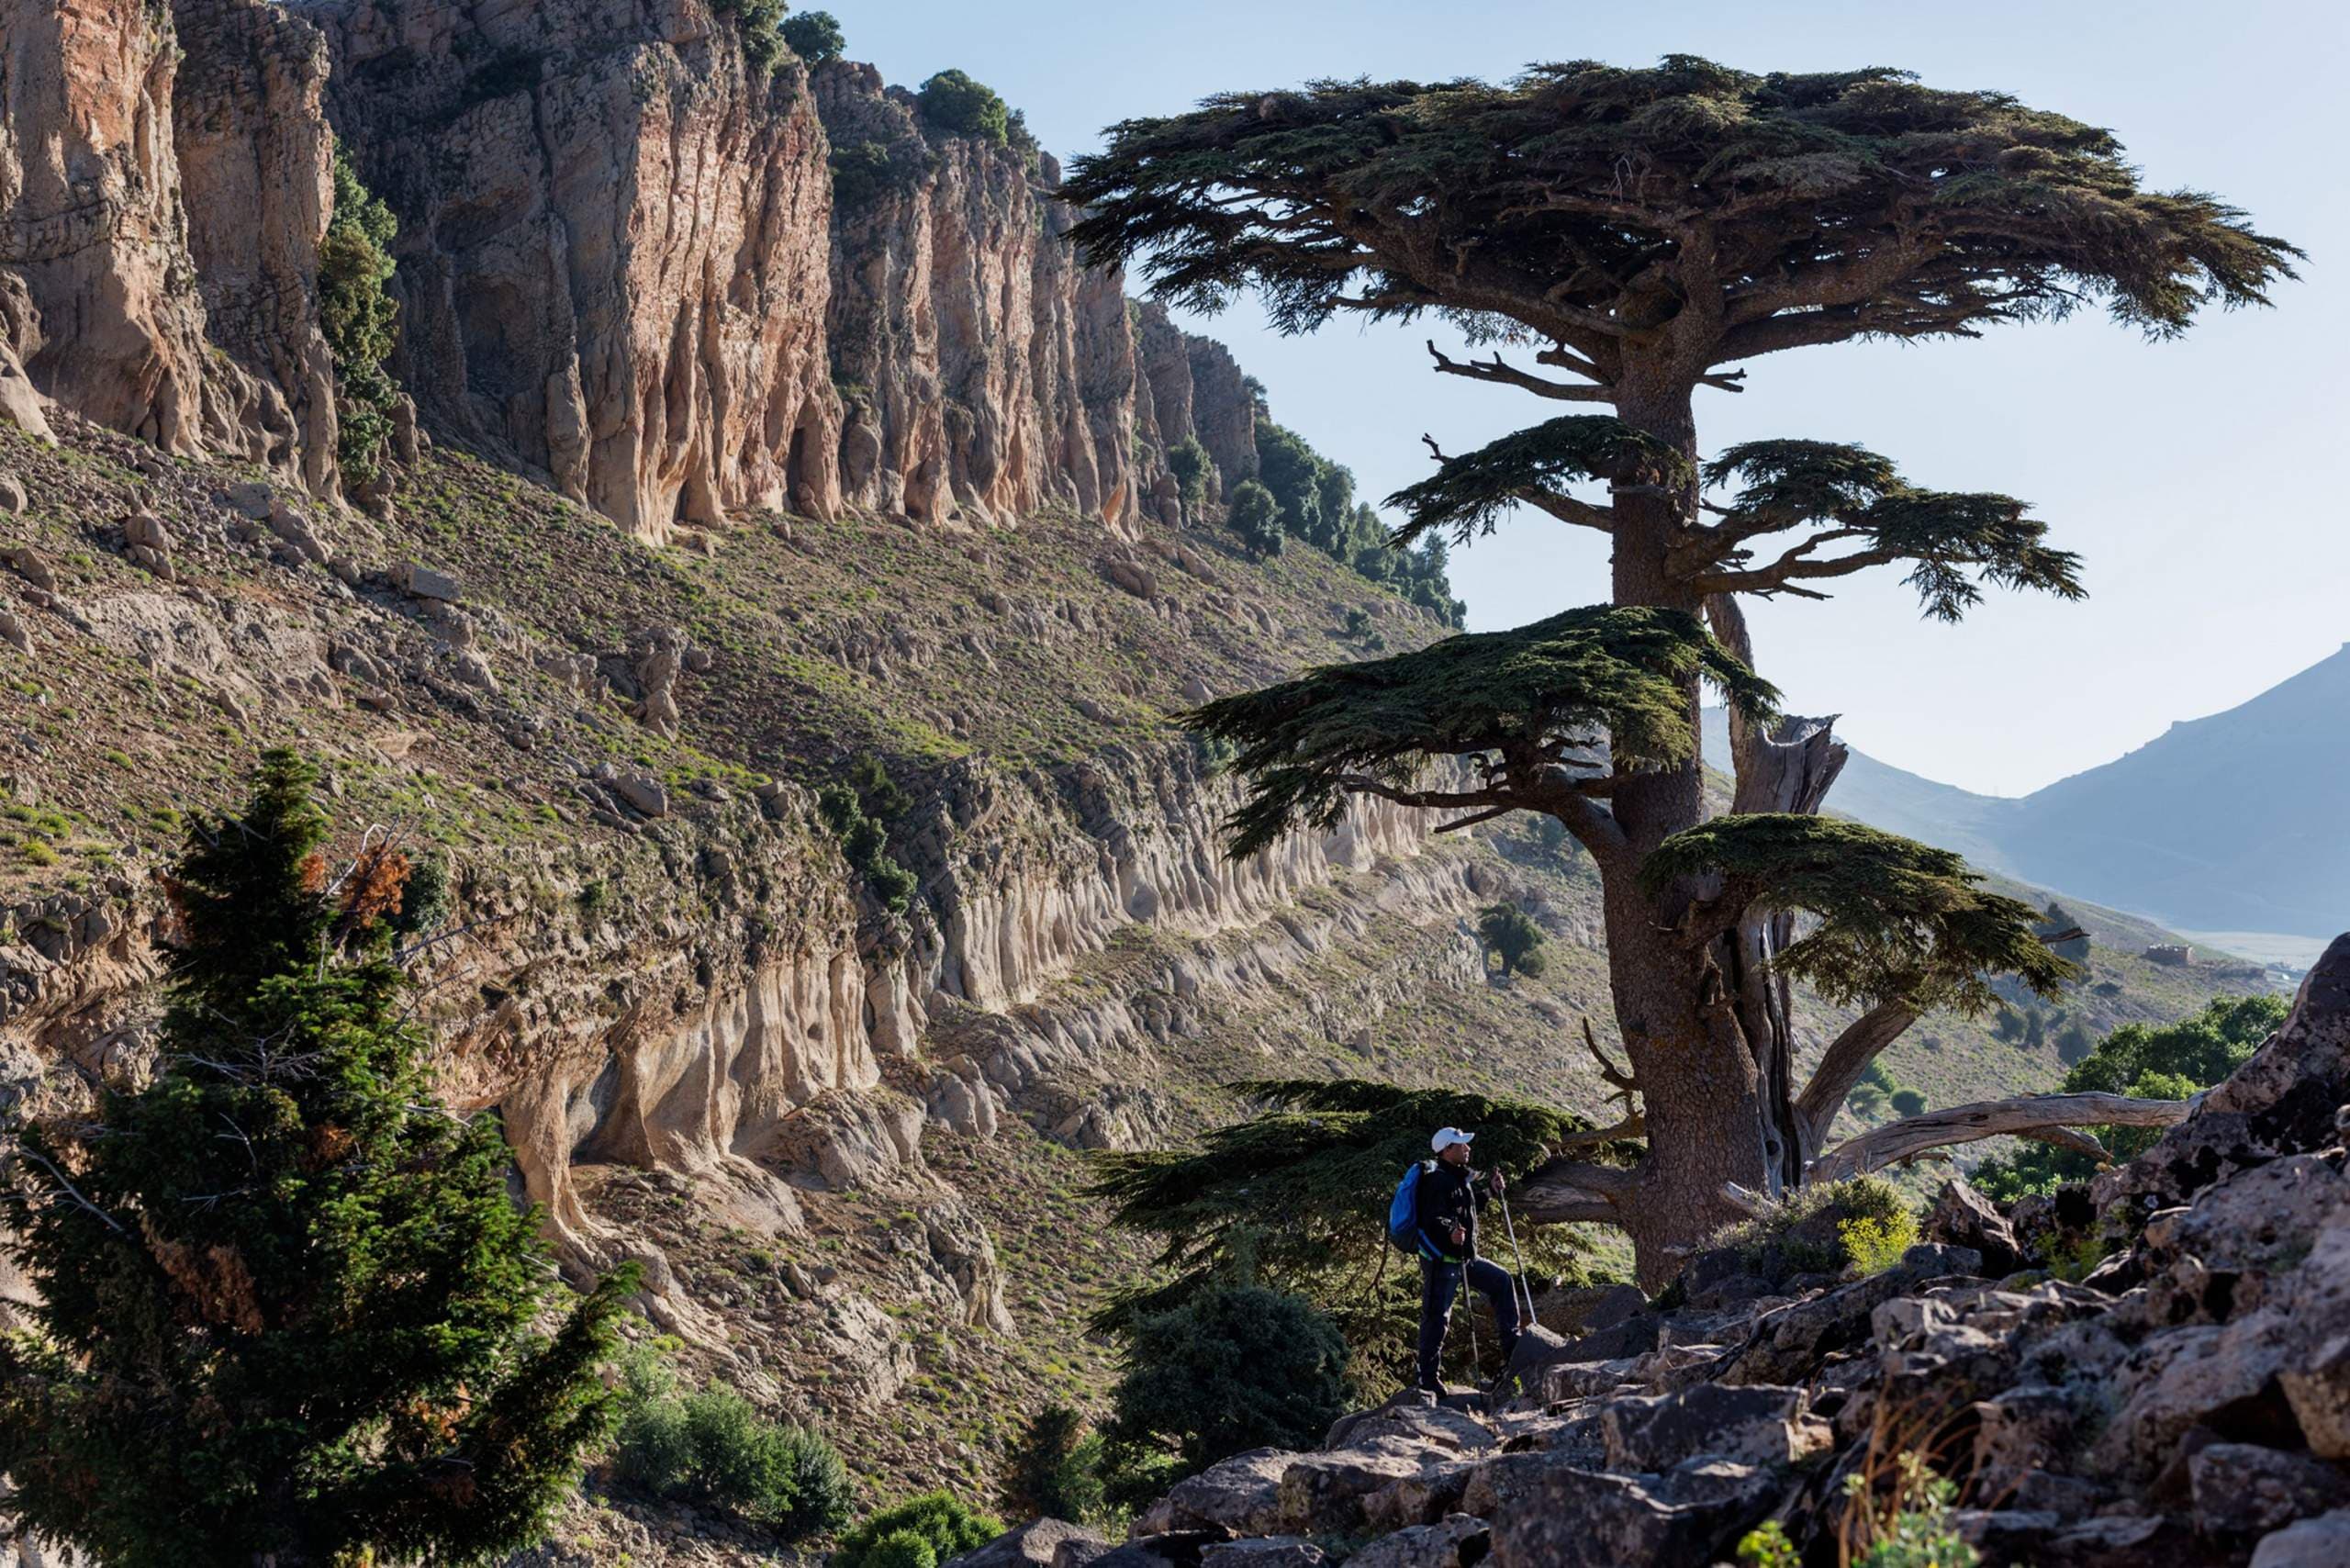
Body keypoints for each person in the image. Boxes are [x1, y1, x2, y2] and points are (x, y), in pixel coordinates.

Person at [1413, 1126, 1520, 1397]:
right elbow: (1432, 1217)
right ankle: (1427, 1380)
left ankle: (1514, 1351)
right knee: (1437, 1318)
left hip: (1464, 1258)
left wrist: (1491, 1192)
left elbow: (1465, 1209)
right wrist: (1450, 1230)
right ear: (1447, 1150)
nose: (1468, 1148)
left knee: (1502, 1281)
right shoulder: (1437, 1180)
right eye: (1461, 1145)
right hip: (1443, 1260)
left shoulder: (1458, 1177)